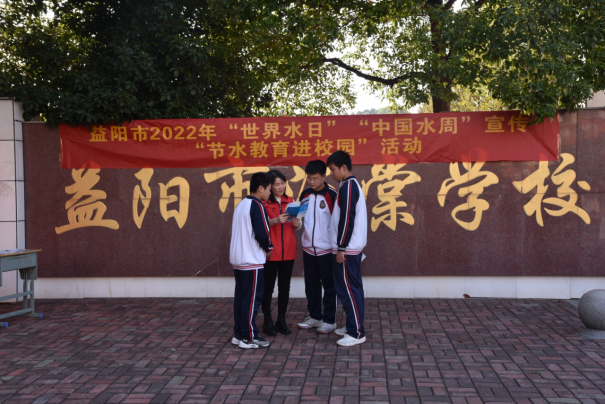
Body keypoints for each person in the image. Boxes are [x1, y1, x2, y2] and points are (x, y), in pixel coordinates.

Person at [326, 150, 368, 347]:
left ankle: (356, 332)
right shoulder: (347, 185)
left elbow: (346, 219)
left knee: (349, 290)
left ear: (344, 167)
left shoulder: (348, 187)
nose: (331, 174)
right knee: (351, 289)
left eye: (333, 169)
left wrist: (341, 247)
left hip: (347, 249)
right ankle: (353, 325)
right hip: (348, 248)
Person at [229, 172, 274, 349]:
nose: (270, 193)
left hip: (239, 260)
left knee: (241, 298)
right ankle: (249, 336)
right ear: (261, 188)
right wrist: (269, 249)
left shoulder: (241, 204)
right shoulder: (257, 206)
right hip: (251, 260)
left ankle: (239, 334)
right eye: (269, 189)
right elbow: (262, 233)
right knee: (252, 299)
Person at [297, 160, 339, 334]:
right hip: (308, 248)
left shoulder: (332, 195)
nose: (311, 182)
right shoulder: (305, 194)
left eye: (315, 178)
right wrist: (297, 224)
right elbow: (300, 218)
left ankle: (329, 320)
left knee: (329, 286)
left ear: (324, 176)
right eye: (309, 178)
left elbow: (337, 222)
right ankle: (315, 317)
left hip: (327, 249)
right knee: (311, 285)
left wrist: (338, 247)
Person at [261, 169, 301, 336]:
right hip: (271, 252)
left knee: (284, 288)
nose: (281, 187)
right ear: (269, 186)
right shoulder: (264, 202)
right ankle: (267, 320)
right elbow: (260, 224)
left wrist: (298, 224)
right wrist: (275, 220)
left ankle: (281, 320)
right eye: (276, 184)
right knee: (268, 288)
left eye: (283, 183)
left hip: (289, 251)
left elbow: (296, 225)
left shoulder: (291, 201)